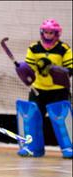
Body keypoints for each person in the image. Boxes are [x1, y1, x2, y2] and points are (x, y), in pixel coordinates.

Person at [15, 19, 72, 158]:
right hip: (38, 90)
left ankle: (68, 148)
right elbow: (30, 69)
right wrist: (23, 70)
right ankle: (32, 147)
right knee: (31, 119)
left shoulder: (64, 49)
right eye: (45, 32)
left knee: (63, 120)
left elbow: (70, 70)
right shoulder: (34, 48)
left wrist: (52, 68)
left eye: (51, 33)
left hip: (59, 90)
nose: (48, 35)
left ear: (56, 34)